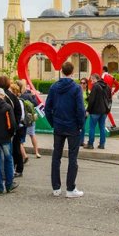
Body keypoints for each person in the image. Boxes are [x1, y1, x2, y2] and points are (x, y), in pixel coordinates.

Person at [45, 62, 85, 198]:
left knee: (56, 156)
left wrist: (52, 123)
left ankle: (56, 187)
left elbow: (47, 108)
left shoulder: (54, 87)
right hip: (72, 126)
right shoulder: (76, 88)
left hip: (58, 125)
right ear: (72, 71)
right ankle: (70, 188)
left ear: (61, 71)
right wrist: (81, 125)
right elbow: (80, 109)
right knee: (73, 158)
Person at [0, 76, 26, 177]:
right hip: (15, 126)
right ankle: (16, 169)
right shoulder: (13, 97)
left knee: (11, 150)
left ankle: (15, 169)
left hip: (10, 127)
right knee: (15, 148)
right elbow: (19, 112)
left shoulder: (6, 96)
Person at [86, 73, 111, 149]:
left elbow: (92, 100)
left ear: (94, 78)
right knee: (102, 127)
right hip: (104, 111)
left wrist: (88, 110)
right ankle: (102, 144)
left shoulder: (95, 86)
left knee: (92, 128)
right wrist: (108, 110)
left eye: (92, 79)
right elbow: (110, 99)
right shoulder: (107, 86)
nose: (91, 81)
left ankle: (90, 144)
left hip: (95, 111)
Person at [19, 81, 41, 158]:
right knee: (32, 134)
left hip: (21, 119)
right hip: (30, 118)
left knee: (21, 138)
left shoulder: (18, 96)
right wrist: (34, 96)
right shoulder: (28, 95)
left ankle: (23, 154)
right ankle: (36, 152)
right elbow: (36, 104)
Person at [79, 78, 90, 148]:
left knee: (82, 127)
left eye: (84, 83)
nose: (82, 84)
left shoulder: (88, 92)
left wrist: (88, 111)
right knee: (76, 127)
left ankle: (81, 141)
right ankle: (76, 140)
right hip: (77, 111)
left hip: (84, 112)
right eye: (81, 83)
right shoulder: (77, 91)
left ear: (86, 84)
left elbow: (90, 103)